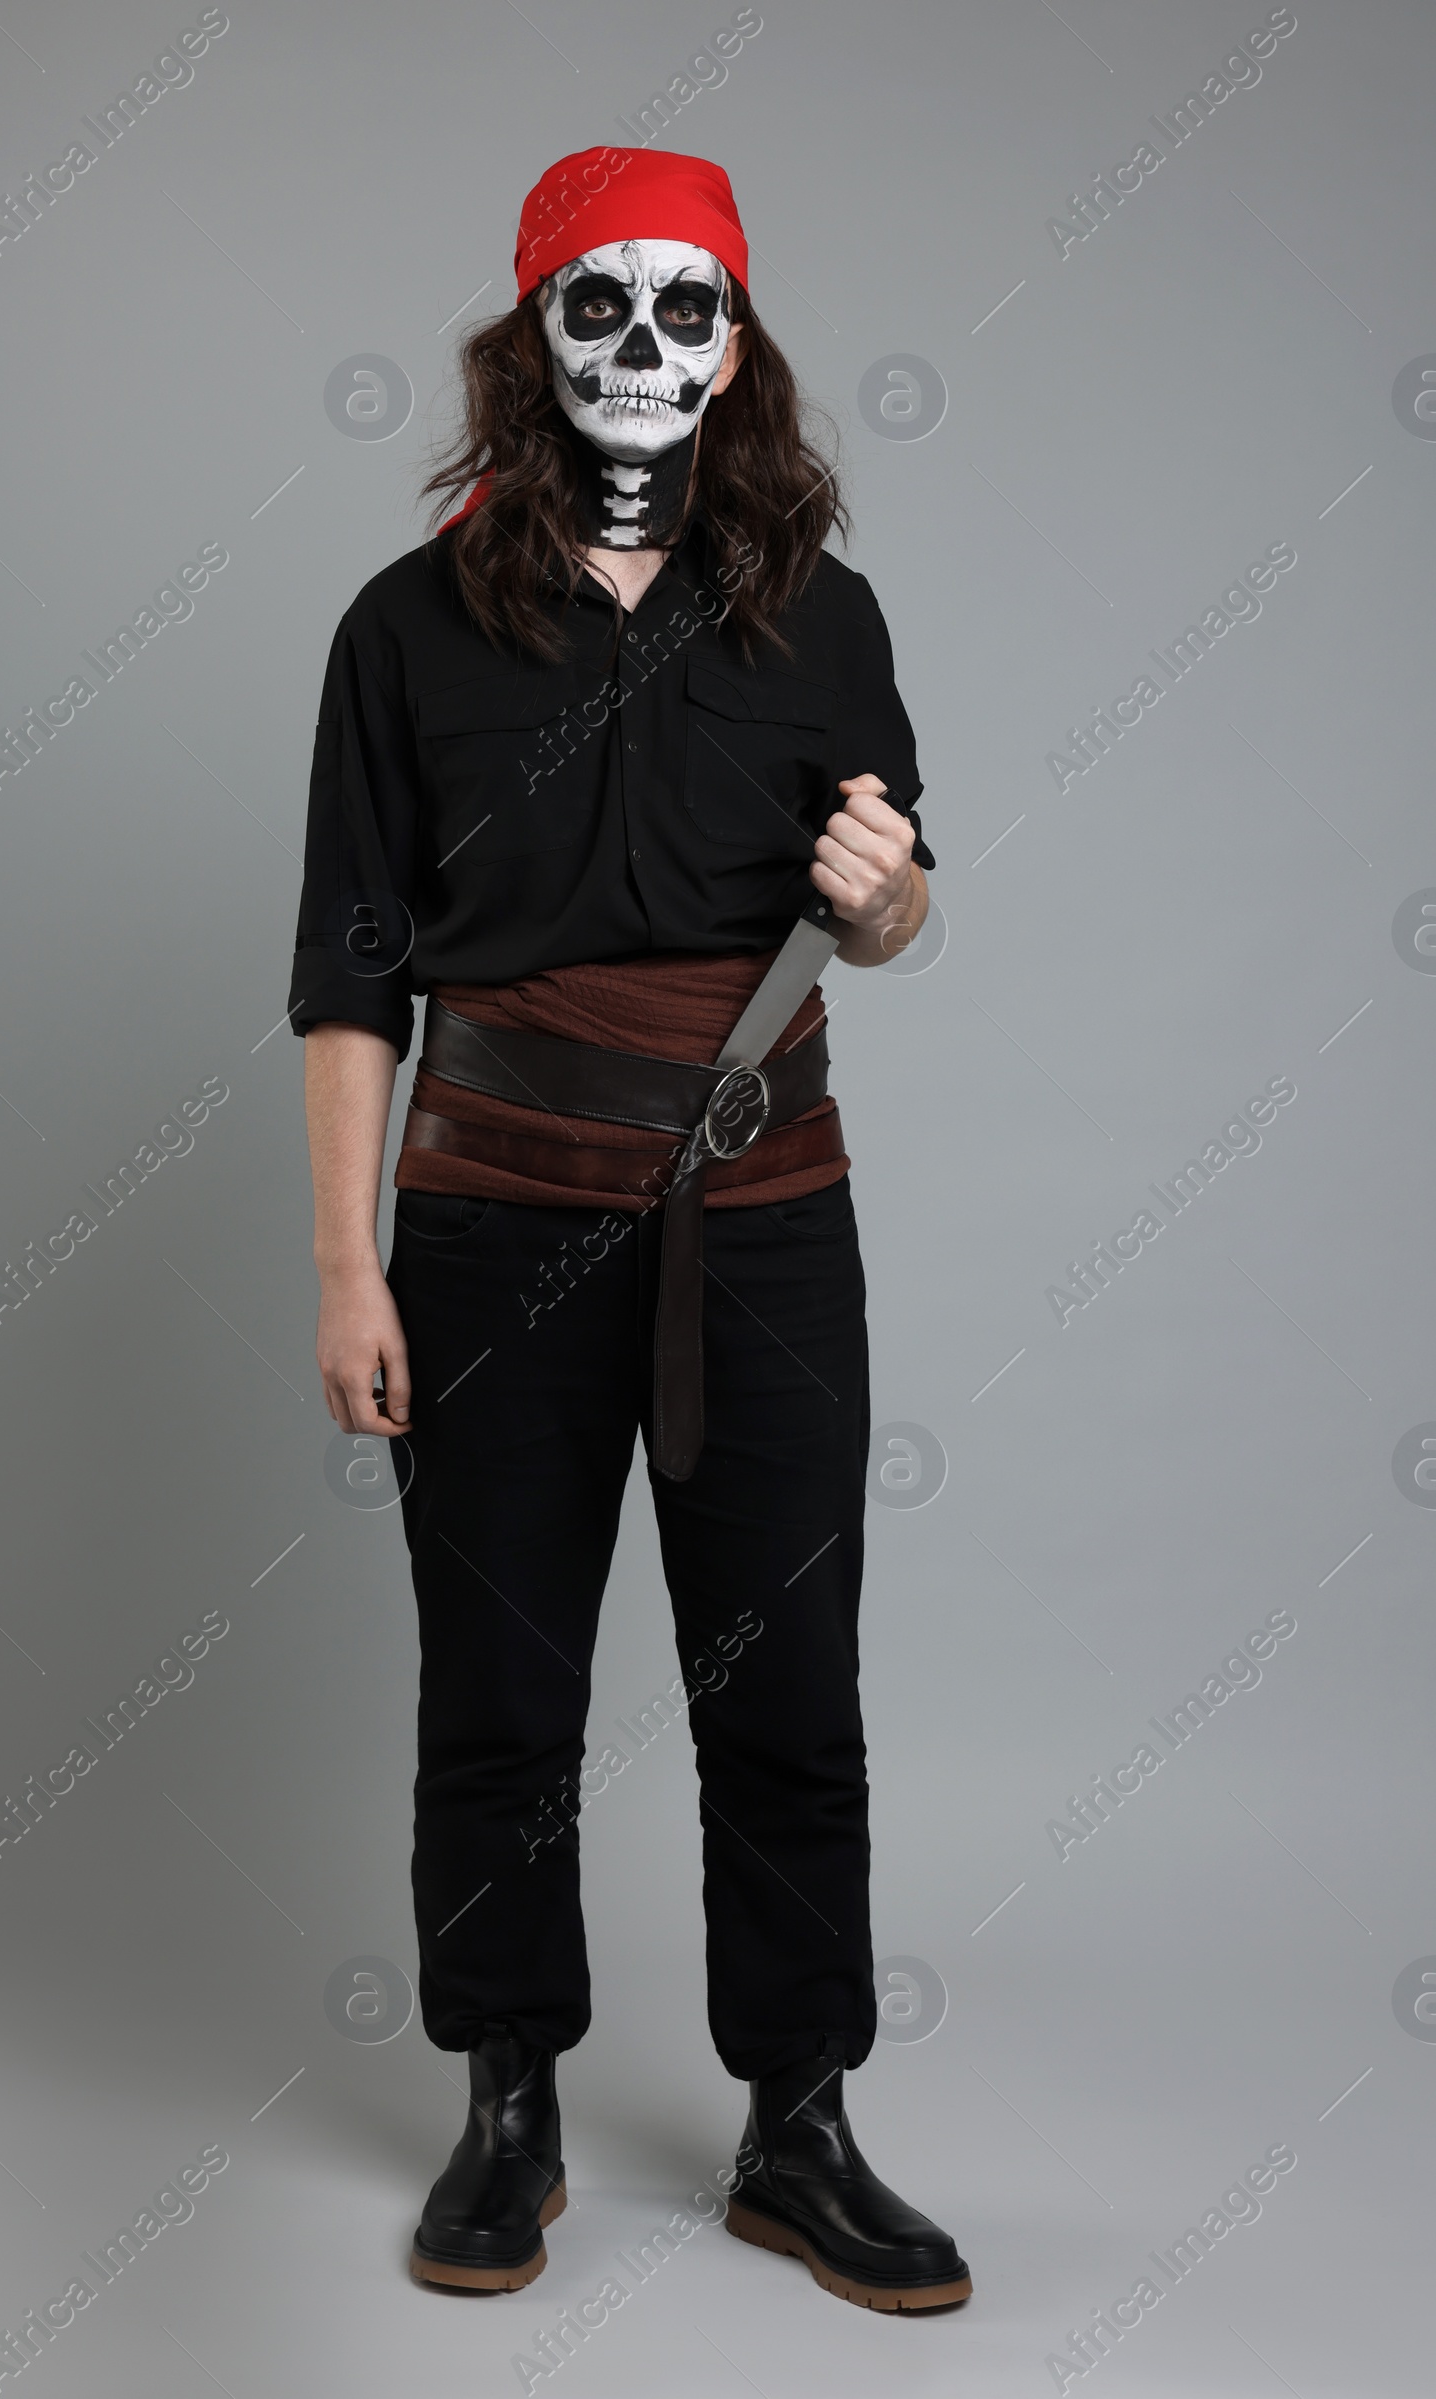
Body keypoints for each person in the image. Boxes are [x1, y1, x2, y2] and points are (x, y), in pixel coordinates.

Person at [287, 145, 971, 2315]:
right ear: (529, 335)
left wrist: (892, 911)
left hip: (764, 1228)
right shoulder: (401, 630)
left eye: (695, 309)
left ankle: (796, 2123)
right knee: (499, 1687)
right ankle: (506, 2101)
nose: (650, 349)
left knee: (788, 1684)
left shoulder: (820, 613)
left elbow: (888, 907)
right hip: (486, 1228)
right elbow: (346, 974)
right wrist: (341, 1265)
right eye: (603, 306)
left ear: (741, 345)